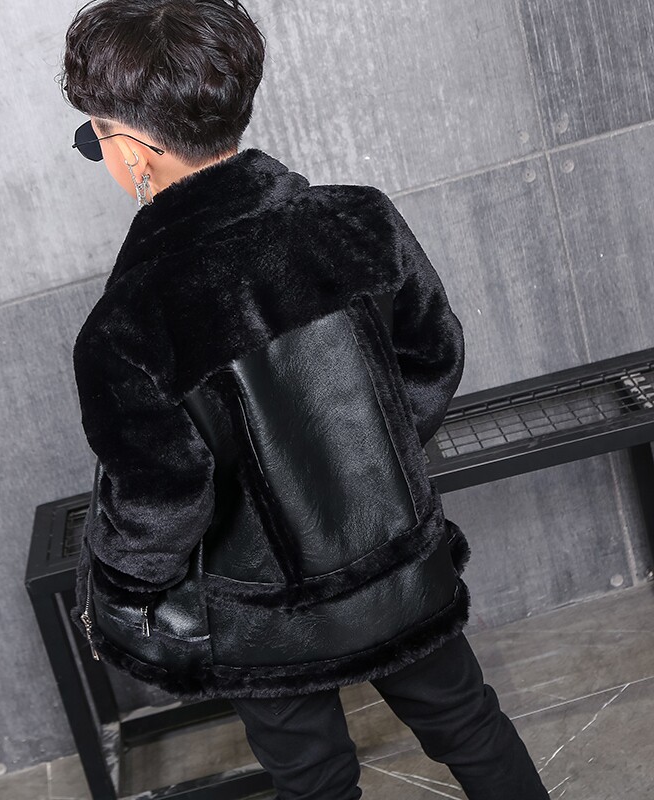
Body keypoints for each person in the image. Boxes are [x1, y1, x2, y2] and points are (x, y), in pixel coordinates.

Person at [59, 1, 551, 798]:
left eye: (95, 137)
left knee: (314, 782)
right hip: (395, 564)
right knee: (470, 724)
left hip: (263, 617)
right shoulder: (359, 221)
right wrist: (361, 472)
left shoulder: (127, 325)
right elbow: (432, 359)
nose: (100, 152)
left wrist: (118, 590)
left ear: (135, 148)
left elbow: (165, 500)